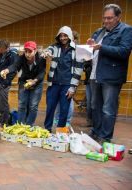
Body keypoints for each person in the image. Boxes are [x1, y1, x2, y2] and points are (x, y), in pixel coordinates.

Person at [87, 4, 132, 143]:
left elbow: (124, 51)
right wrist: (90, 45)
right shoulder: (99, 31)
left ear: (118, 17)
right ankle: (95, 132)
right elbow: (93, 50)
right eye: (104, 18)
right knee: (95, 106)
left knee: (108, 109)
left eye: (110, 18)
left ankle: (105, 137)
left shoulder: (126, 30)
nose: (106, 21)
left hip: (111, 76)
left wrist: (101, 47)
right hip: (95, 74)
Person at [42, 26, 83, 132]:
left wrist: (73, 88)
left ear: (69, 36)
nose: (62, 38)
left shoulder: (76, 50)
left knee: (64, 110)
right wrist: (46, 53)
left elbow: (78, 70)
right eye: (60, 36)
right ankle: (47, 129)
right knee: (50, 108)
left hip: (67, 85)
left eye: (65, 36)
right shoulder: (55, 47)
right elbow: (48, 50)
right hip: (54, 84)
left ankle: (60, 132)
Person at [1, 41, 46, 126]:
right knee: (22, 104)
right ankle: (20, 125)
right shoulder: (21, 58)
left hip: (37, 82)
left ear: (35, 50)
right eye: (26, 51)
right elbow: (15, 66)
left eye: (30, 51)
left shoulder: (41, 59)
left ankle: (29, 125)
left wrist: (34, 81)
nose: (27, 54)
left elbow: (42, 73)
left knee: (33, 106)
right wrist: (6, 70)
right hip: (24, 82)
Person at [53, 31, 79, 127]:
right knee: (61, 100)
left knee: (68, 100)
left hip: (71, 80)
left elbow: (78, 67)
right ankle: (57, 119)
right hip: (60, 80)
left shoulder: (75, 50)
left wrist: (73, 84)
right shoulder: (62, 49)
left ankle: (67, 120)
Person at [0, 39, 19, 126]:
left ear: (6, 48)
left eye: (0, 48)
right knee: (0, 103)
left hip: (4, 83)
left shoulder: (12, 55)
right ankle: (1, 121)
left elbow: (14, 70)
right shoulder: (1, 54)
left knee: (4, 104)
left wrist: (6, 82)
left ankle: (5, 123)